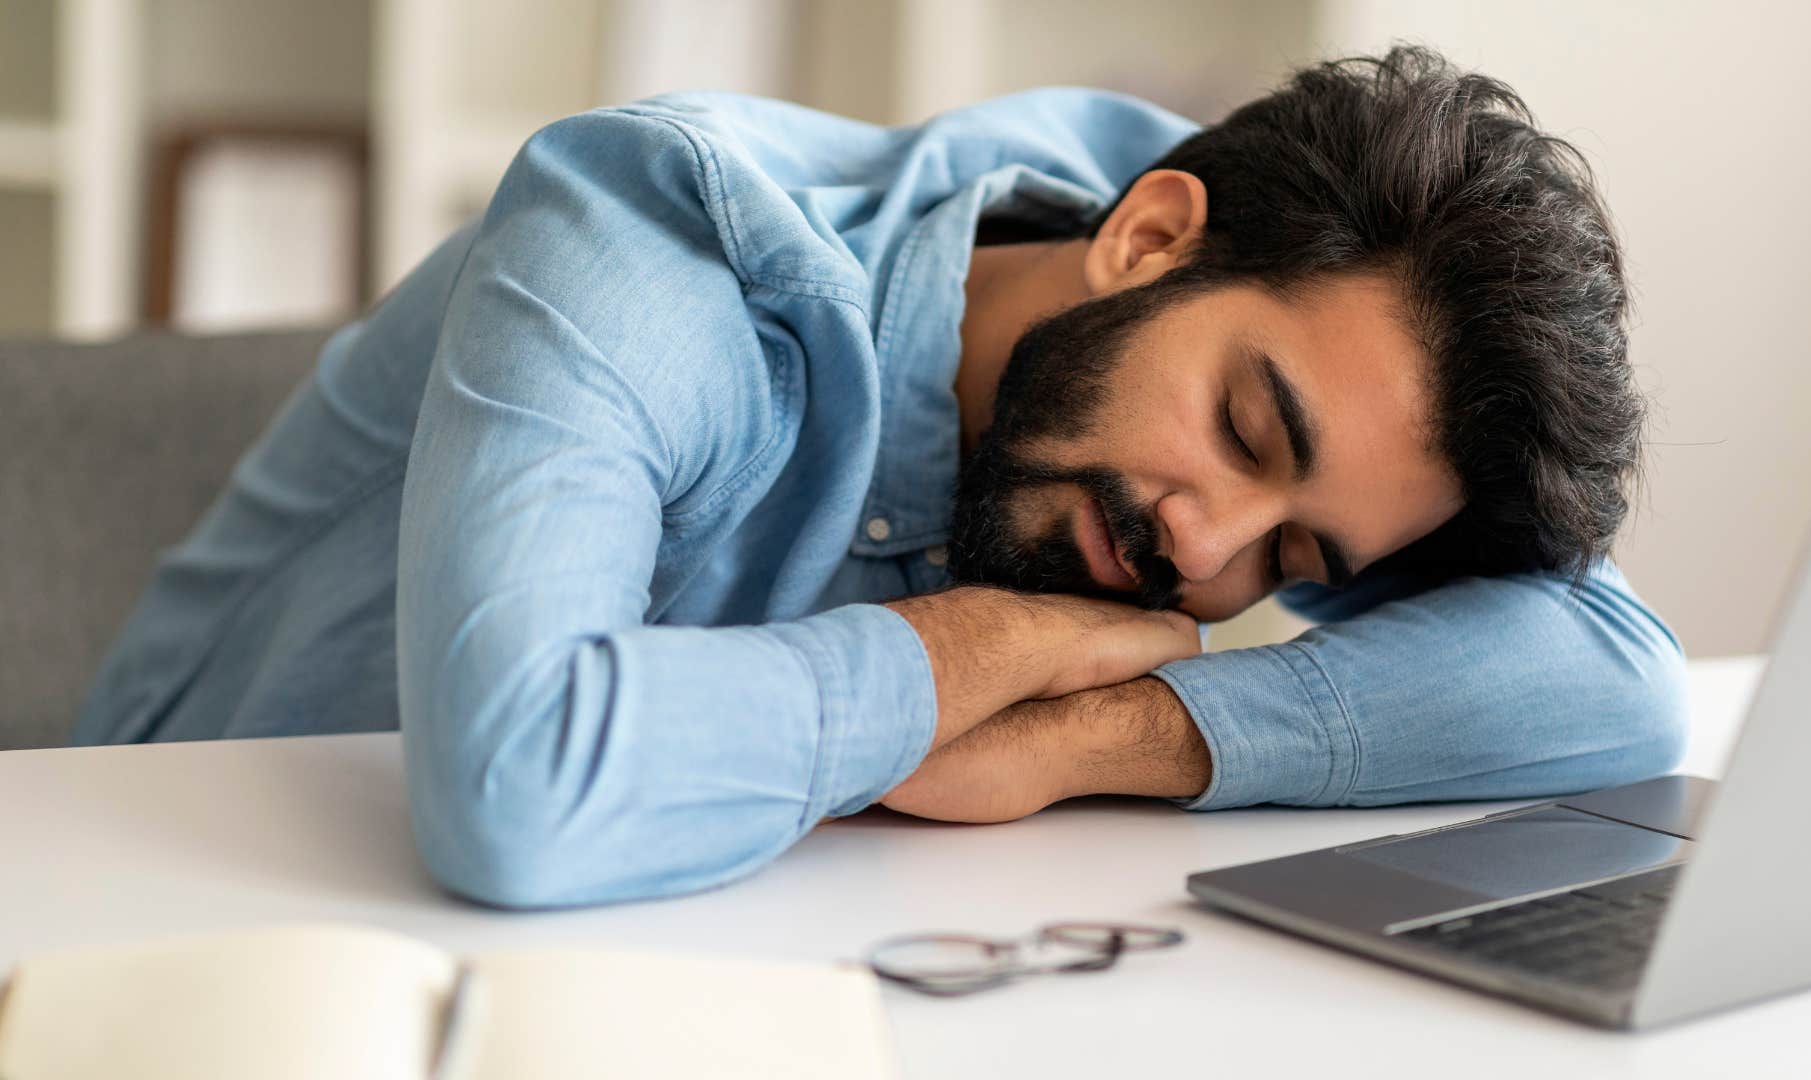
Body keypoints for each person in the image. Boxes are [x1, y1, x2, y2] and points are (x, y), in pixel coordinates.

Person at [76, 47, 1685, 908]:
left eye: (1304, 557)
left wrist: (1112, 738)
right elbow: (522, 788)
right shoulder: (656, 245)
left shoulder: (1306, 326)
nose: (1211, 559)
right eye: (1250, 439)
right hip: (180, 898)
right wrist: (965, 663)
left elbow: (1618, 686)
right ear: (1144, 240)